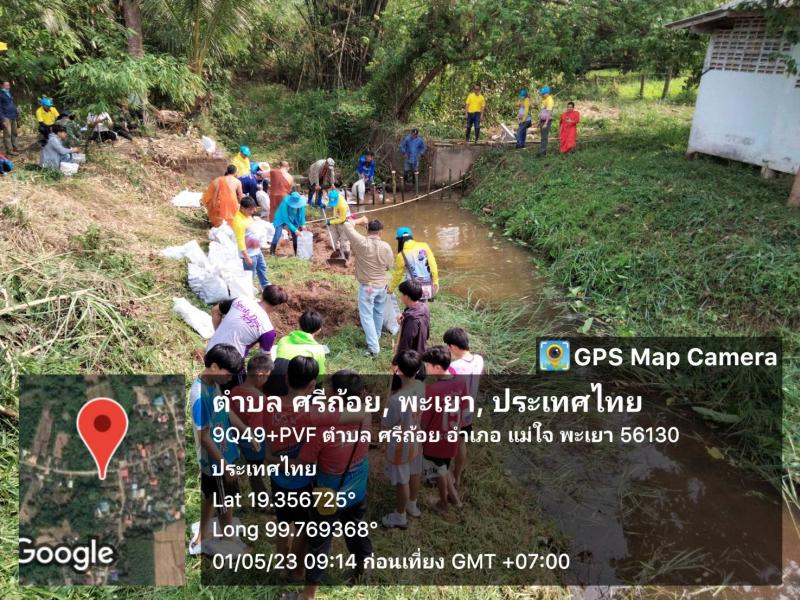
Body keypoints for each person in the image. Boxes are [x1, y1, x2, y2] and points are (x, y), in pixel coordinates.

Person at [298, 370, 374, 596]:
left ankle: (308, 594)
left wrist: (273, 459)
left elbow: (304, 461)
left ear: (332, 392)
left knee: (319, 541)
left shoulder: (322, 430)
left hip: (328, 492)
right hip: (357, 486)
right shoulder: (365, 415)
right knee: (356, 527)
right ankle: (364, 566)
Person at [189, 343, 259, 556]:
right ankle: (221, 535)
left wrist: (246, 431)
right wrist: (225, 466)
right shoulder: (200, 396)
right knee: (222, 497)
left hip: (225, 451)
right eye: (228, 375)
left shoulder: (213, 384)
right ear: (214, 366)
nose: (229, 380)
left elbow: (225, 409)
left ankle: (208, 534)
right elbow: (204, 437)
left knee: (218, 495)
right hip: (215, 459)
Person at [381, 350, 425, 529]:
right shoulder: (420, 386)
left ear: (397, 369)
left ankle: (400, 516)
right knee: (415, 471)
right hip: (415, 437)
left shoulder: (395, 400)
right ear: (418, 370)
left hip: (400, 445)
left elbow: (387, 424)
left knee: (402, 481)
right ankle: (412, 504)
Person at [421, 345, 468, 513]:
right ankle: (455, 500)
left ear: (437, 367)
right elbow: (464, 408)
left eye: (427, 365)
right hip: (452, 437)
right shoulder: (461, 383)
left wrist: (421, 437)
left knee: (439, 472)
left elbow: (425, 421)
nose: (426, 368)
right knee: (444, 468)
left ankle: (443, 503)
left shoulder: (432, 391)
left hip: (435, 441)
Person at [340, 216, 394, 357]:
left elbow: (346, 225)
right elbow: (389, 266)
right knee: (378, 312)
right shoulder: (386, 246)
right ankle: (376, 337)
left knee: (367, 316)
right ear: (380, 232)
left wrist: (359, 221)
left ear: (367, 229)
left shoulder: (361, 243)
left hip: (368, 287)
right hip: (382, 285)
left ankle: (374, 349)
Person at [443, 327, 484, 487]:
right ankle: (457, 476)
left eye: (448, 346)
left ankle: (444, 478)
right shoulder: (479, 360)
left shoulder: (454, 367)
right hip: (469, 411)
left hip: (454, 413)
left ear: (453, 347)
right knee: (461, 443)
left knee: (446, 445)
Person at [230, 353, 274, 499]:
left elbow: (230, 416)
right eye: (267, 376)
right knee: (257, 474)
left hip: (240, 439)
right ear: (260, 375)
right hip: (256, 443)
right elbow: (257, 428)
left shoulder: (235, 391)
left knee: (252, 470)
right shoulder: (260, 399)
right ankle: (263, 502)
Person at [207, 285, 288, 359]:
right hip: (230, 362)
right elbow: (264, 358)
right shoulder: (267, 329)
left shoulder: (240, 300)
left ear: (262, 295)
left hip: (211, 350)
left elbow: (215, 311)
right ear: (278, 305)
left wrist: (218, 333)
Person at [389, 226, 439, 302]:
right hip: (427, 285)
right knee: (423, 305)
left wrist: (391, 289)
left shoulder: (401, 255)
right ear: (411, 237)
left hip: (412, 287)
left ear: (399, 240)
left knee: (413, 306)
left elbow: (398, 275)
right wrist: (435, 281)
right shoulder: (424, 246)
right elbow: (433, 265)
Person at [275, 310, 328, 375]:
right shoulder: (318, 350)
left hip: (275, 378)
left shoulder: (283, 340)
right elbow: (320, 375)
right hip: (296, 380)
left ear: (299, 325)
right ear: (319, 330)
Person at [233, 197, 270, 289]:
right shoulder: (239, 222)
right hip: (249, 254)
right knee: (250, 275)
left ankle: (266, 287)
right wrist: (246, 257)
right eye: (250, 209)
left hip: (256, 250)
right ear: (242, 208)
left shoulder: (246, 215)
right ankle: (248, 290)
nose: (253, 211)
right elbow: (240, 241)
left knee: (262, 268)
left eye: (254, 209)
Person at [396, 280, 429, 355]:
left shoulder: (412, 319)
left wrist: (398, 358)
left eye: (402, 294)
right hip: (422, 347)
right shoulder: (424, 307)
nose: (400, 296)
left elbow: (406, 342)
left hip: (412, 356)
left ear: (407, 296)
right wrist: (403, 317)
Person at [270, 191, 306, 256]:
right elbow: (286, 219)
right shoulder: (285, 203)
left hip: (293, 217)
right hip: (281, 217)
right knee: (278, 234)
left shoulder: (300, 203)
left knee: (295, 235)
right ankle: (272, 252)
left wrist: (303, 224)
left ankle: (296, 253)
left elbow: (302, 215)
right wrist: (295, 229)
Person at [326, 189, 350, 260]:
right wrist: (324, 204)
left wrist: (331, 222)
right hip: (336, 219)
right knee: (334, 237)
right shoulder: (334, 197)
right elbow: (330, 201)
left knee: (344, 242)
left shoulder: (343, 205)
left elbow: (342, 219)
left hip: (344, 221)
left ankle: (346, 258)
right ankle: (338, 253)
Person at [0, 80, 19, 155]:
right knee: (7, 134)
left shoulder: (9, 93)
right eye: (6, 85)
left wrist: (16, 111)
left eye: (9, 85)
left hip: (13, 116)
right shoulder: (1, 94)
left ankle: (16, 148)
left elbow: (11, 104)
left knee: (14, 133)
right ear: (1, 86)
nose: (8, 87)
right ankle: (9, 151)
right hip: (6, 117)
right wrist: (2, 119)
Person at [538, 86, 554, 156]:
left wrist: (546, 123)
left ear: (547, 93)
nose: (542, 95)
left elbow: (549, 112)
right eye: (542, 94)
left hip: (546, 121)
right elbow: (543, 111)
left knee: (544, 137)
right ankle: (542, 151)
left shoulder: (550, 100)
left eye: (543, 94)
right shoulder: (544, 99)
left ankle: (542, 152)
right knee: (542, 137)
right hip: (542, 120)